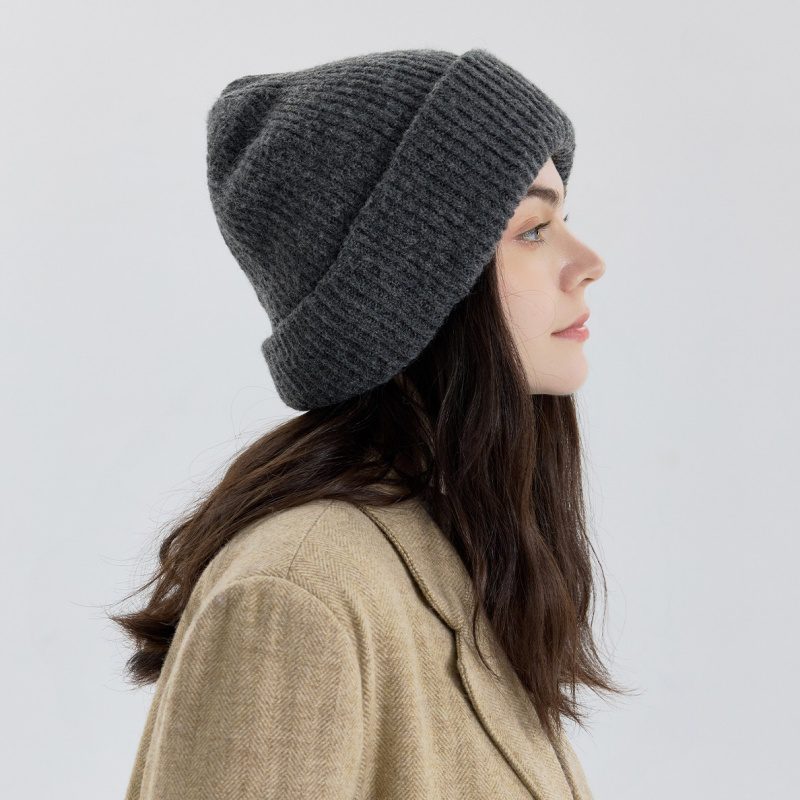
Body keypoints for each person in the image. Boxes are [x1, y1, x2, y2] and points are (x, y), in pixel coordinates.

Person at [112, 46, 632, 800]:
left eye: (565, 220)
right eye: (531, 229)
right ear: (411, 290)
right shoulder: (297, 596)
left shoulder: (450, 559)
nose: (588, 261)